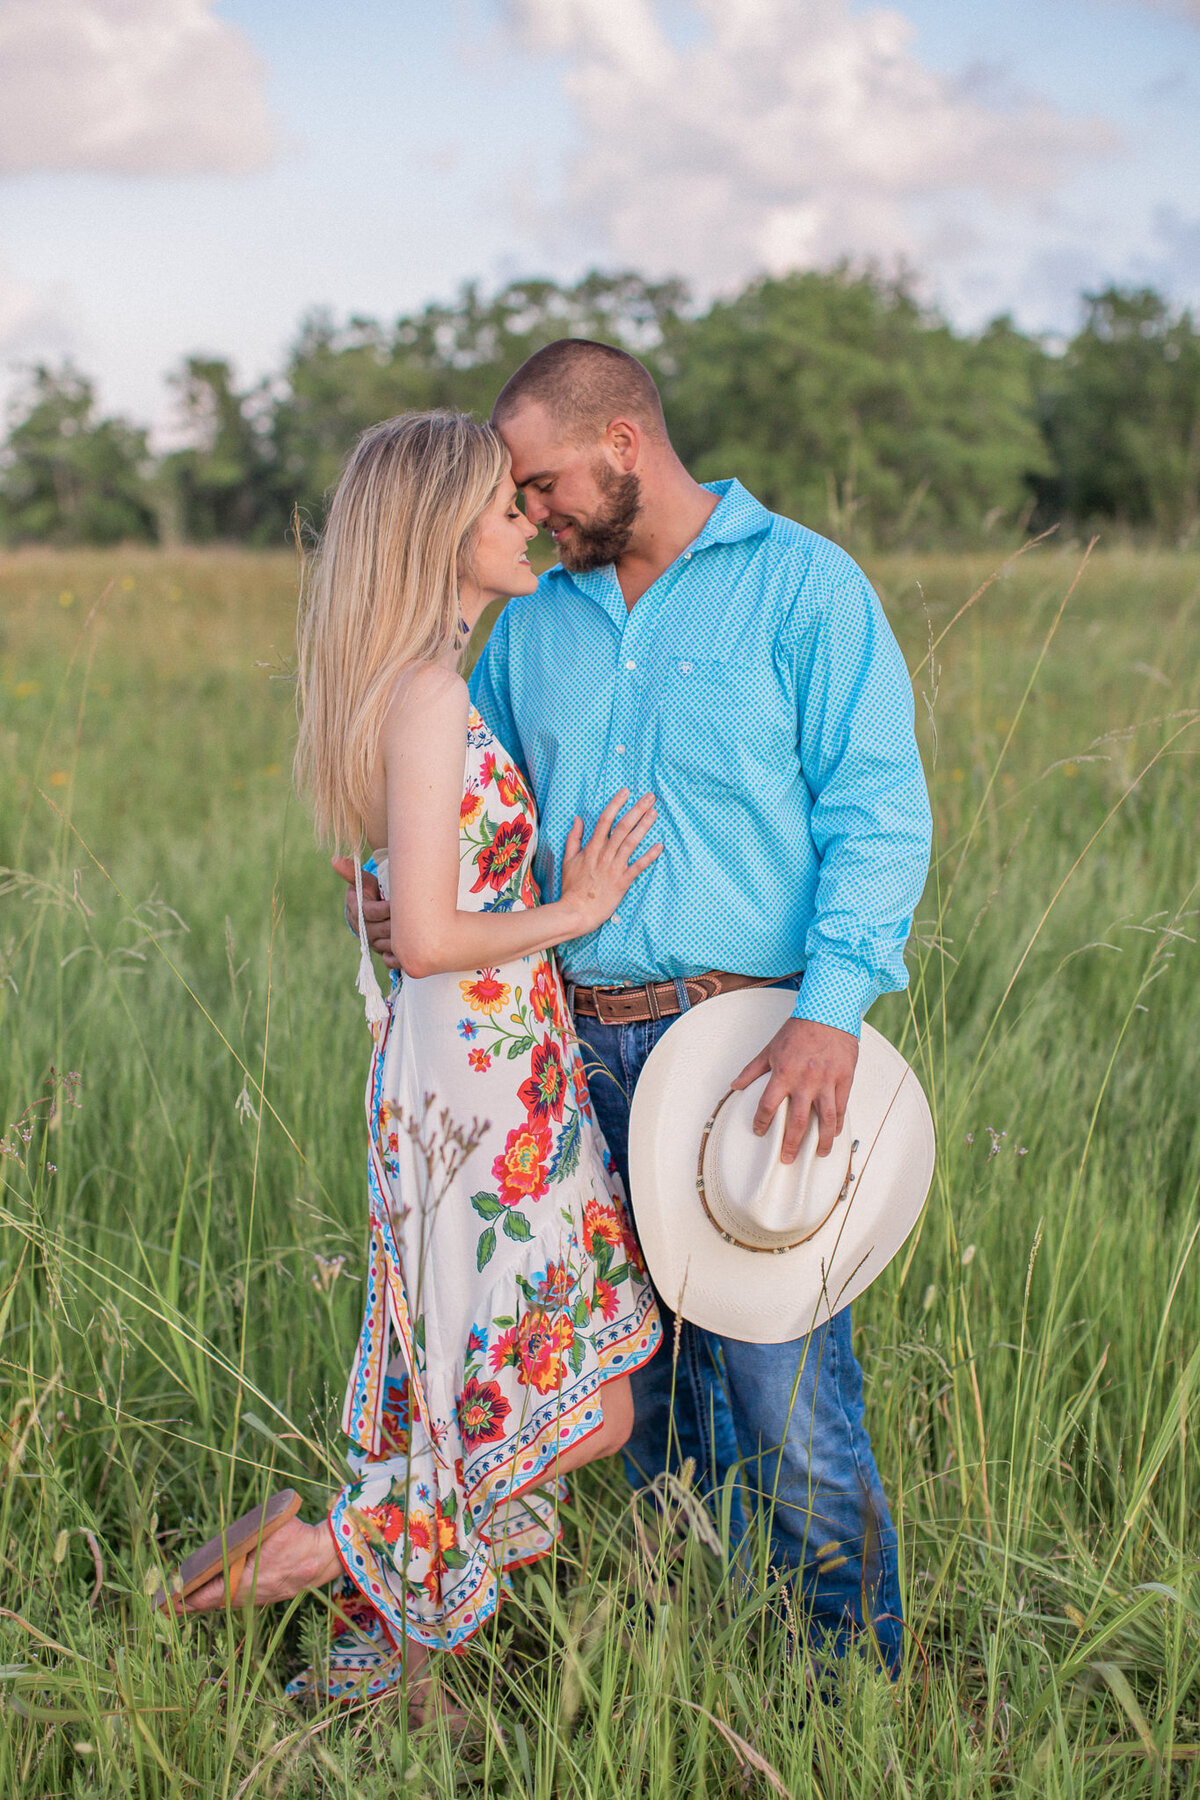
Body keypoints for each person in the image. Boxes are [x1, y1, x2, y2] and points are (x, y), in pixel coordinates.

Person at [346, 340, 932, 1676]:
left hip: (748, 1043)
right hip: (563, 1054)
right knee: (639, 1391)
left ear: (622, 440)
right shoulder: (536, 627)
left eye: (542, 481)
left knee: (786, 1396)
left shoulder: (802, 588)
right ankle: (690, 1659)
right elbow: (466, 814)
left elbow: (880, 816)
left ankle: (850, 1686)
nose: (531, 510)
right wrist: (403, 904)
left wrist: (832, 1010)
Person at [174, 411, 662, 1718]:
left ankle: (380, 1661)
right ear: (445, 526)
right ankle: (325, 1554)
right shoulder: (430, 693)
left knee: (471, 1393)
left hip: (483, 1079)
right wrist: (581, 903)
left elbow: (401, 905)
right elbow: (438, 936)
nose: (528, 525)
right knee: (588, 1409)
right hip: (479, 1095)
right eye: (507, 507)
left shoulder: (414, 685)